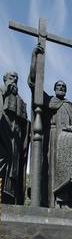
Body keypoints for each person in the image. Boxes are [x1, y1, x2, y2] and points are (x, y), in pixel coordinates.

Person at [29, 45, 72, 209]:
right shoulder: (49, 102)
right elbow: (34, 84)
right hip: (52, 140)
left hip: (68, 144)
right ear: (55, 89)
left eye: (63, 87)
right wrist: (35, 58)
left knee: (71, 172)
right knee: (50, 171)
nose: (61, 88)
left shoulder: (71, 107)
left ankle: (68, 203)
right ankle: (51, 203)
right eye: (58, 87)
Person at [0, 71, 29, 204]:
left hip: (16, 135)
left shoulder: (21, 101)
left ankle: (11, 196)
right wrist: (5, 92)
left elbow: (25, 123)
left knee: (14, 164)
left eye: (16, 79)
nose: (14, 81)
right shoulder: (2, 90)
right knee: (3, 158)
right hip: (3, 130)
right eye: (11, 77)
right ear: (5, 78)